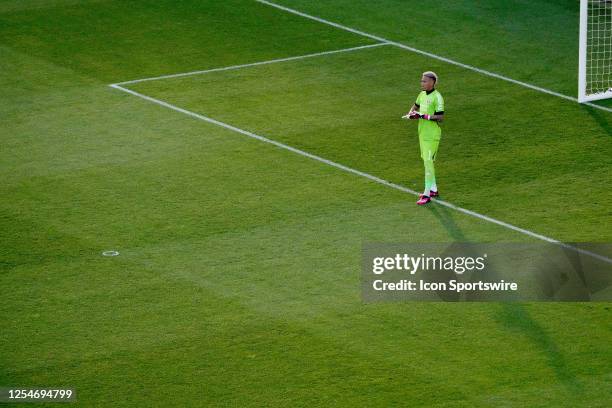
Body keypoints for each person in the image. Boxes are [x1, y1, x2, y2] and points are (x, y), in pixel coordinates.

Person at [403, 71, 445, 205]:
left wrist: (422, 116)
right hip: (422, 133)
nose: (422, 83)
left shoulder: (437, 97)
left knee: (428, 162)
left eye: (425, 81)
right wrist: (411, 115)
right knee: (427, 161)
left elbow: (440, 117)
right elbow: (414, 107)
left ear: (432, 82)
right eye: (421, 81)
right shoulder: (421, 95)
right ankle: (433, 189)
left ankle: (427, 195)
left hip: (432, 135)